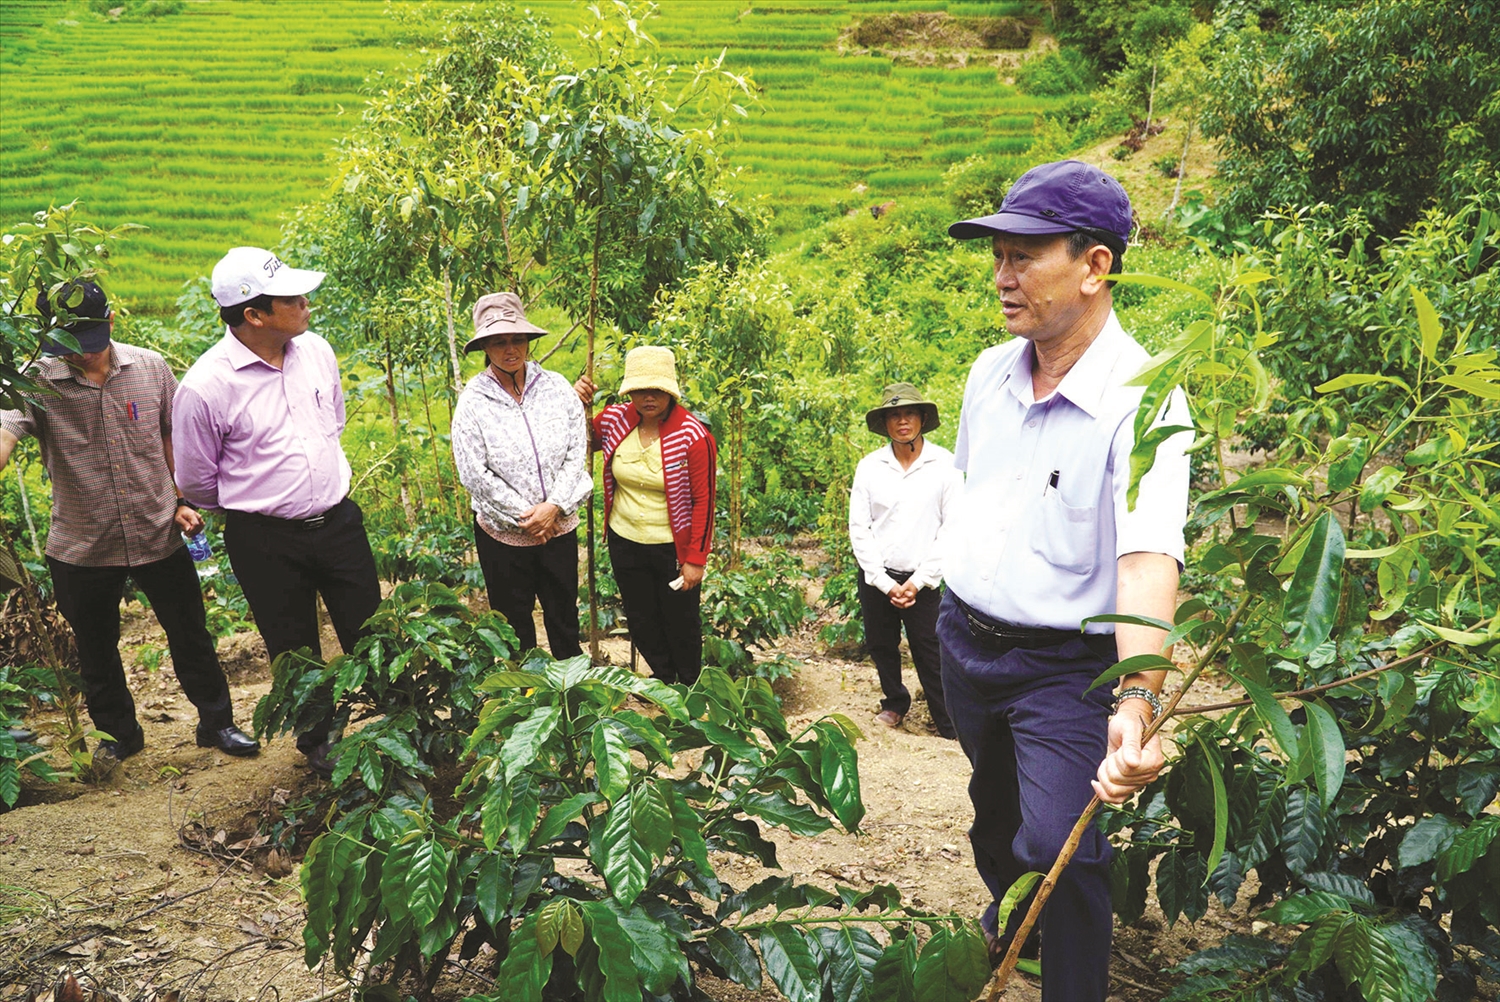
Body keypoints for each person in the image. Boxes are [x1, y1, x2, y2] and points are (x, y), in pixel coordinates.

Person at [941, 160, 1192, 1001]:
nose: (1003, 278)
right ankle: (1014, 923)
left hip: (1063, 667)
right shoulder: (987, 374)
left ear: (1094, 267)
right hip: (964, 642)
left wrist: (1137, 703)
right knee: (996, 816)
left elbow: (1149, 555)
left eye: (1025, 256)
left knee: (1061, 843)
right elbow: (976, 498)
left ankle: (1073, 982)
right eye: (998, 258)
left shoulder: (1146, 400)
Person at [0, 279, 257, 765]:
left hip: (157, 529)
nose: (82, 357)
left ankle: (217, 722)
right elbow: (6, 429)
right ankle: (120, 734)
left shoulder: (150, 367)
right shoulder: (32, 379)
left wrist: (183, 498)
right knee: (96, 649)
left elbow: (169, 434)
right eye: (69, 348)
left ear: (111, 322)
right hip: (81, 543)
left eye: (90, 345)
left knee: (190, 635)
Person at [172, 247, 382, 779]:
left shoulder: (315, 350)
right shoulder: (206, 387)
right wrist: (265, 504)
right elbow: (196, 480)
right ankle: (319, 742)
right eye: (292, 298)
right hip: (265, 539)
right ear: (254, 315)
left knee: (373, 631)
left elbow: (331, 422)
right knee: (293, 646)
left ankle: (393, 727)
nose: (306, 303)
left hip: (337, 523)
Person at [451, 293, 592, 658]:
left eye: (517, 339)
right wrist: (527, 516)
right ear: (485, 346)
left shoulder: (558, 388)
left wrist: (555, 507)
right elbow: (474, 472)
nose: (510, 349)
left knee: (564, 616)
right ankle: (523, 699)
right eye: (499, 342)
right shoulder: (473, 401)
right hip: (504, 537)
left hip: (558, 528)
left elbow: (577, 450)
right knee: (514, 625)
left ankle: (572, 697)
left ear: (528, 341)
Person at [583, 347, 716, 685]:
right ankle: (662, 679)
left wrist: (695, 559)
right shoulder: (615, 420)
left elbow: (704, 500)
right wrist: (578, 401)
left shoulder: (693, 436)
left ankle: (689, 686)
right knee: (641, 618)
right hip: (624, 539)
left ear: (670, 391)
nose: (648, 398)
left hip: (671, 546)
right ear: (630, 392)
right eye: (640, 390)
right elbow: (580, 437)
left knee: (681, 620)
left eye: (656, 390)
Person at [848, 382, 960, 738]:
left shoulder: (944, 465)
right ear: (885, 423)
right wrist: (882, 580)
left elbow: (953, 526)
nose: (902, 421)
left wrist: (919, 580)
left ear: (922, 418)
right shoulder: (870, 467)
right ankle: (894, 703)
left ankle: (946, 719)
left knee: (931, 649)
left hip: (923, 580)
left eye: (908, 413)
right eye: (894, 415)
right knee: (882, 644)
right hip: (879, 576)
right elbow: (859, 527)